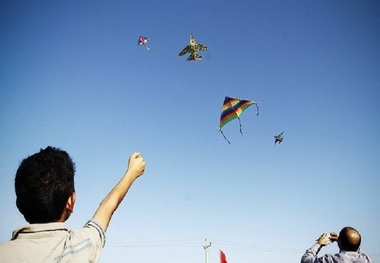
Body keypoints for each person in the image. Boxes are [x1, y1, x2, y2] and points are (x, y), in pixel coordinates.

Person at [0, 146, 146, 262]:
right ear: (71, 201)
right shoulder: (81, 245)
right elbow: (107, 206)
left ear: (18, 204)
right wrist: (131, 172)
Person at [301, 226, 373, 263]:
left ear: (340, 242)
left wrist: (319, 243)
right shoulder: (366, 259)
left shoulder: (333, 260)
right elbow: (355, 245)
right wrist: (342, 239)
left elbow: (305, 260)